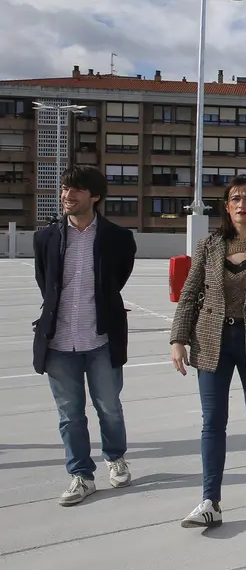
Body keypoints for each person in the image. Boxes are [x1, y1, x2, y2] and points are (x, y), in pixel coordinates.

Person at [169, 175, 246, 528]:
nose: (242, 204)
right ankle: (210, 499)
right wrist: (178, 338)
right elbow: (189, 293)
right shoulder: (210, 245)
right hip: (212, 340)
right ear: (226, 206)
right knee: (213, 421)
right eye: (235, 198)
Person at [32, 166, 137, 506]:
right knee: (70, 414)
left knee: (109, 407)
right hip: (59, 342)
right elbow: (46, 285)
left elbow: (116, 281)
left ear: (95, 196)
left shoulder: (118, 239)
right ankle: (81, 475)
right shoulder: (45, 238)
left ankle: (115, 457)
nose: (67, 195)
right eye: (64, 189)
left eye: (75, 190)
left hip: (100, 340)